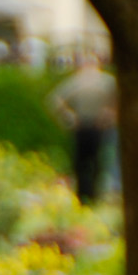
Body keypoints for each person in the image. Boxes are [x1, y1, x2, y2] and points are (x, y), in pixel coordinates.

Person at [49, 45, 118, 205]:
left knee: (86, 163)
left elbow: (55, 100)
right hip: (91, 126)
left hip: (90, 126)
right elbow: (55, 100)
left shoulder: (97, 81)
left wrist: (69, 118)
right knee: (94, 162)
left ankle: (85, 196)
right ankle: (91, 196)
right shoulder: (101, 81)